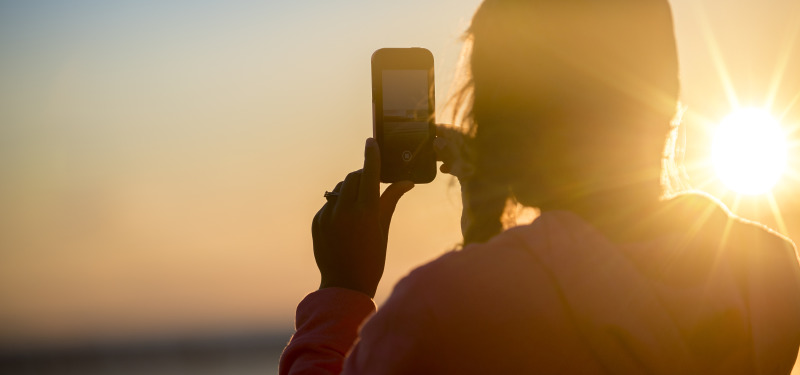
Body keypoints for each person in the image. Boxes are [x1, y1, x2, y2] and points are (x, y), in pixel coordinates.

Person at [280, 0, 800, 373]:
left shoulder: (435, 310)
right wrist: (484, 240)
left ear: (496, 117)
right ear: (669, 95)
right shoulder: (771, 273)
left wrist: (341, 292)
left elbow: (499, 318)